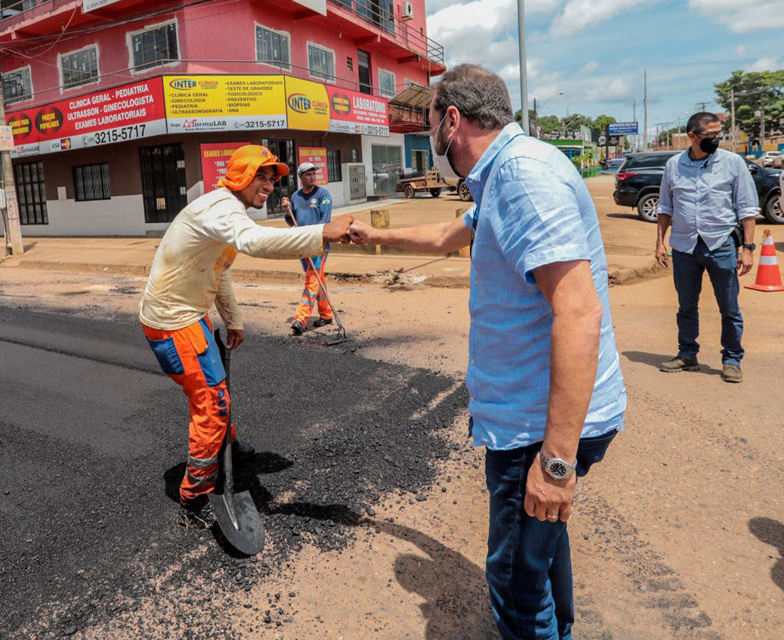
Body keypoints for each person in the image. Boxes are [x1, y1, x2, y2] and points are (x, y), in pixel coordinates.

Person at [347, 64, 626, 639]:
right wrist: (370, 234)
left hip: (536, 428)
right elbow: (448, 236)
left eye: (429, 127)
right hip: (530, 415)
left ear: (452, 121)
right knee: (541, 550)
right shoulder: (502, 177)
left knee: (516, 583)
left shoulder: (522, 176)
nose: (431, 143)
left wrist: (554, 464)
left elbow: (578, 313)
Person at [139, 145, 354, 529]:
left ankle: (226, 447)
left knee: (216, 389)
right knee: (212, 400)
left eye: (273, 179)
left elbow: (218, 270)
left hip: (190, 315)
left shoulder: (226, 211)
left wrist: (233, 320)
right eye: (262, 176)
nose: (270, 185)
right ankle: (194, 497)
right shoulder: (222, 209)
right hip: (173, 322)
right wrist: (322, 232)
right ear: (240, 175)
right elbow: (255, 242)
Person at [655, 111, 758, 383]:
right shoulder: (673, 165)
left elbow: (747, 209)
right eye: (710, 135)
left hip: (721, 244)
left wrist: (747, 248)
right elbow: (665, 207)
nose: (716, 139)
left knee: (729, 308)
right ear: (692, 136)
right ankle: (687, 354)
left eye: (718, 134)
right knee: (686, 306)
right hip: (684, 247)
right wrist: (659, 243)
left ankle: (732, 359)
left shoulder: (733, 164)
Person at [281, 162, 334, 335]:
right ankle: (326, 314)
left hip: (318, 245)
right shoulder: (295, 197)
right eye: (308, 174)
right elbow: (291, 222)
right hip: (301, 245)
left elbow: (324, 221)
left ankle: (300, 319)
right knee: (318, 280)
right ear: (301, 177)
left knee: (311, 280)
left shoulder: (323, 195)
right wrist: (288, 212)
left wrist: (312, 240)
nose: (312, 177)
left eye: (313, 173)